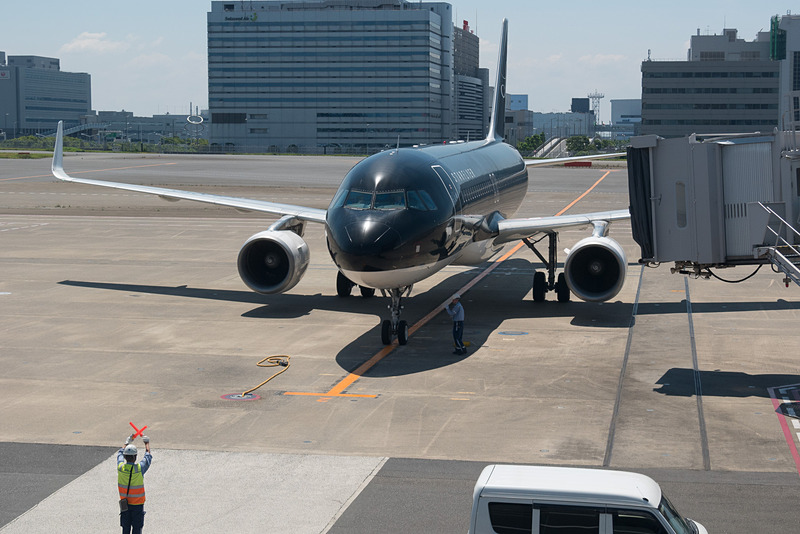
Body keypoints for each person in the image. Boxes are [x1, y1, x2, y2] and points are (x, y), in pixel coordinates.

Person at [117, 434, 152, 534]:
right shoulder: (139, 469)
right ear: (135, 457)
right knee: (137, 529)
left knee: (125, 529)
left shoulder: (120, 468)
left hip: (125, 505)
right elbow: (148, 457)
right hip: (137, 505)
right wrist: (147, 444)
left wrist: (126, 443)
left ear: (125, 456)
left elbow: (119, 454)